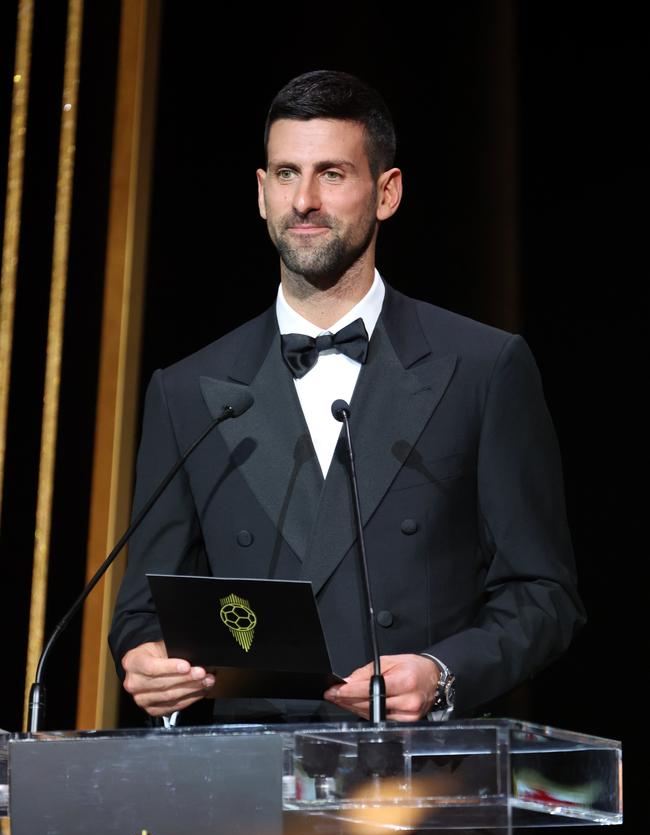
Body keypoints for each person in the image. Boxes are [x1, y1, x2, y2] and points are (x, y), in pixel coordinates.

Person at [109, 69, 585, 725]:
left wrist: (444, 675)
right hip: (250, 793)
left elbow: (544, 593)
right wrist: (145, 655)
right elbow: (143, 606)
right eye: (284, 174)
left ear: (387, 192)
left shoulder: (483, 367)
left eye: (331, 174)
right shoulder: (187, 391)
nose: (303, 199)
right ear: (259, 191)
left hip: (425, 790)